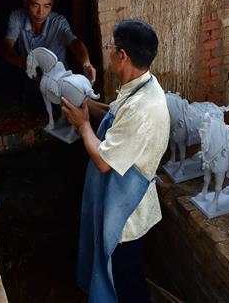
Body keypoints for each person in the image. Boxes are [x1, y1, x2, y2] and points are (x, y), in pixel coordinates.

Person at [62, 19, 170, 303]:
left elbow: (104, 162)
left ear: (122, 56)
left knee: (126, 280)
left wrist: (83, 124)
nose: (108, 51)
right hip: (121, 202)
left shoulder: (142, 109)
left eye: (111, 46)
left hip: (126, 214)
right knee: (125, 273)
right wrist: (84, 104)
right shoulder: (143, 85)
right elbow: (113, 113)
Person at [2, 0, 97, 83]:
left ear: (52, 4)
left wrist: (86, 63)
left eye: (46, 6)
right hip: (30, 81)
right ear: (26, 2)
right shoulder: (17, 17)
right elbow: (6, 46)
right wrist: (23, 63)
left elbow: (75, 43)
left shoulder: (58, 22)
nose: (41, 13)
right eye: (35, 6)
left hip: (59, 83)